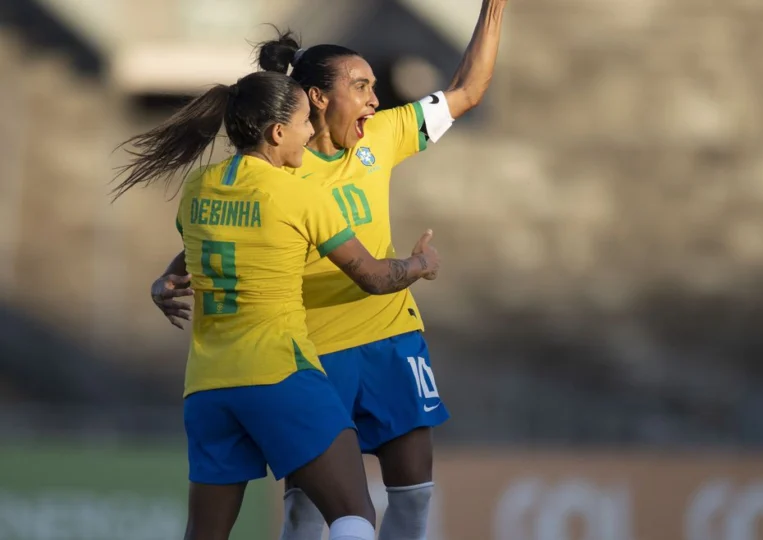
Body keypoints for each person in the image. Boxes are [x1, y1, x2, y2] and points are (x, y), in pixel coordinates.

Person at [151, 1, 508, 538]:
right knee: (313, 511)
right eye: (361, 86)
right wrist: (420, 264)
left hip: (390, 338)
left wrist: (494, 7)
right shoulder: (284, 173)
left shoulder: (383, 135)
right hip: (310, 354)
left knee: (412, 497)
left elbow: (469, 88)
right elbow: (227, 236)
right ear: (316, 99)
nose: (375, 98)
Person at [114, 70, 440, 540]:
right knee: (353, 516)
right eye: (306, 122)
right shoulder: (301, 193)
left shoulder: (198, 189)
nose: (311, 134)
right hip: (280, 374)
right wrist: (419, 264)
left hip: (208, 388)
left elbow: (191, 257)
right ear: (278, 132)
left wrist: (163, 283)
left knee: (203, 534)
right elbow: (371, 275)